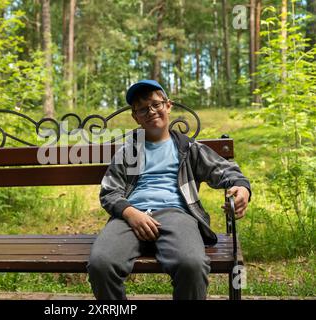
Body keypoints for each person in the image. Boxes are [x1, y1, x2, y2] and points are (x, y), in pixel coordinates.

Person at [87, 79, 251, 300]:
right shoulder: (129, 151)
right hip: (131, 216)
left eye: (156, 104)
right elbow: (109, 191)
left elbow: (227, 172)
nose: (151, 111)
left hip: (176, 214)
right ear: (136, 117)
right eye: (143, 109)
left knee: (191, 265)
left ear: (168, 105)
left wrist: (242, 188)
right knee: (101, 264)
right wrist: (131, 213)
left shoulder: (188, 149)